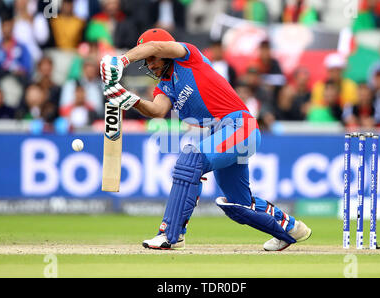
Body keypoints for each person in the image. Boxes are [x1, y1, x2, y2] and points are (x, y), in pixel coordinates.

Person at [100, 28, 312, 251]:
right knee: (240, 204)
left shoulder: (188, 55)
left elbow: (155, 45)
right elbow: (156, 110)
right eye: (147, 61)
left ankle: (171, 234)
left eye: (152, 58)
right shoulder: (165, 85)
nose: (150, 64)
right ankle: (290, 227)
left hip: (240, 126)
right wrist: (127, 98)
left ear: (164, 51)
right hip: (224, 135)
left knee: (190, 159)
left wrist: (121, 60)